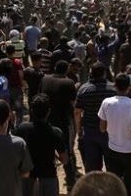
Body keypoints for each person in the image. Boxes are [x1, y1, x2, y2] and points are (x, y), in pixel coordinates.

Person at [98, 73, 131, 196]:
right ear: (129, 87)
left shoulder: (106, 103)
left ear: (115, 85)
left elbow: (102, 128)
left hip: (112, 150)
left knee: (114, 186)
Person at [13, 94, 68, 196]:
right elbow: (64, 160)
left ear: (32, 110)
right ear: (49, 111)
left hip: (27, 178)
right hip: (48, 177)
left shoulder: (22, 129)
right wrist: (56, 155)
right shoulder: (56, 132)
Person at [40, 60, 78, 190]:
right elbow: (73, 103)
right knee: (66, 150)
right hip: (62, 121)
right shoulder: (69, 82)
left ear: (55, 68)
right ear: (66, 70)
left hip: (45, 119)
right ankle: (71, 181)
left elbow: (40, 95)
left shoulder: (45, 79)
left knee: (46, 150)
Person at [75, 62, 116, 172]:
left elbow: (77, 112)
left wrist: (79, 130)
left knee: (93, 167)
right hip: (110, 132)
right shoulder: (113, 89)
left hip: (90, 131)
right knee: (112, 166)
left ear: (91, 73)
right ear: (104, 73)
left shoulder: (84, 89)